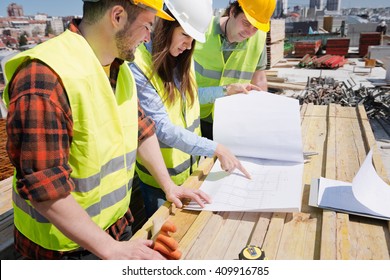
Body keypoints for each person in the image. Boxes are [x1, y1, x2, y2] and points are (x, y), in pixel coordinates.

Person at [2, 0, 210, 260]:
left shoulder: (117, 68)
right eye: (147, 26)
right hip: (62, 251)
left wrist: (169, 186)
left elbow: (142, 130)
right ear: (118, 16)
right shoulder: (43, 78)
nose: (149, 36)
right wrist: (110, 249)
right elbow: (45, 188)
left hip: (115, 231)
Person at [130, 0, 251, 218]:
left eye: (193, 39)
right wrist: (216, 149)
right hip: (160, 182)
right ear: (167, 26)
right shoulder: (138, 65)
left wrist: (225, 90)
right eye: (185, 35)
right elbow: (162, 128)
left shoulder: (182, 57)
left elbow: (190, 98)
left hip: (190, 173)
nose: (188, 45)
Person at [193, 0, 276, 140]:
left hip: (229, 119)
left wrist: (262, 114)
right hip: (195, 113)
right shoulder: (202, 30)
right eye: (246, 23)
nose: (249, 32)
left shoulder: (258, 39)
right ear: (232, 12)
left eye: (256, 27)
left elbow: (260, 79)